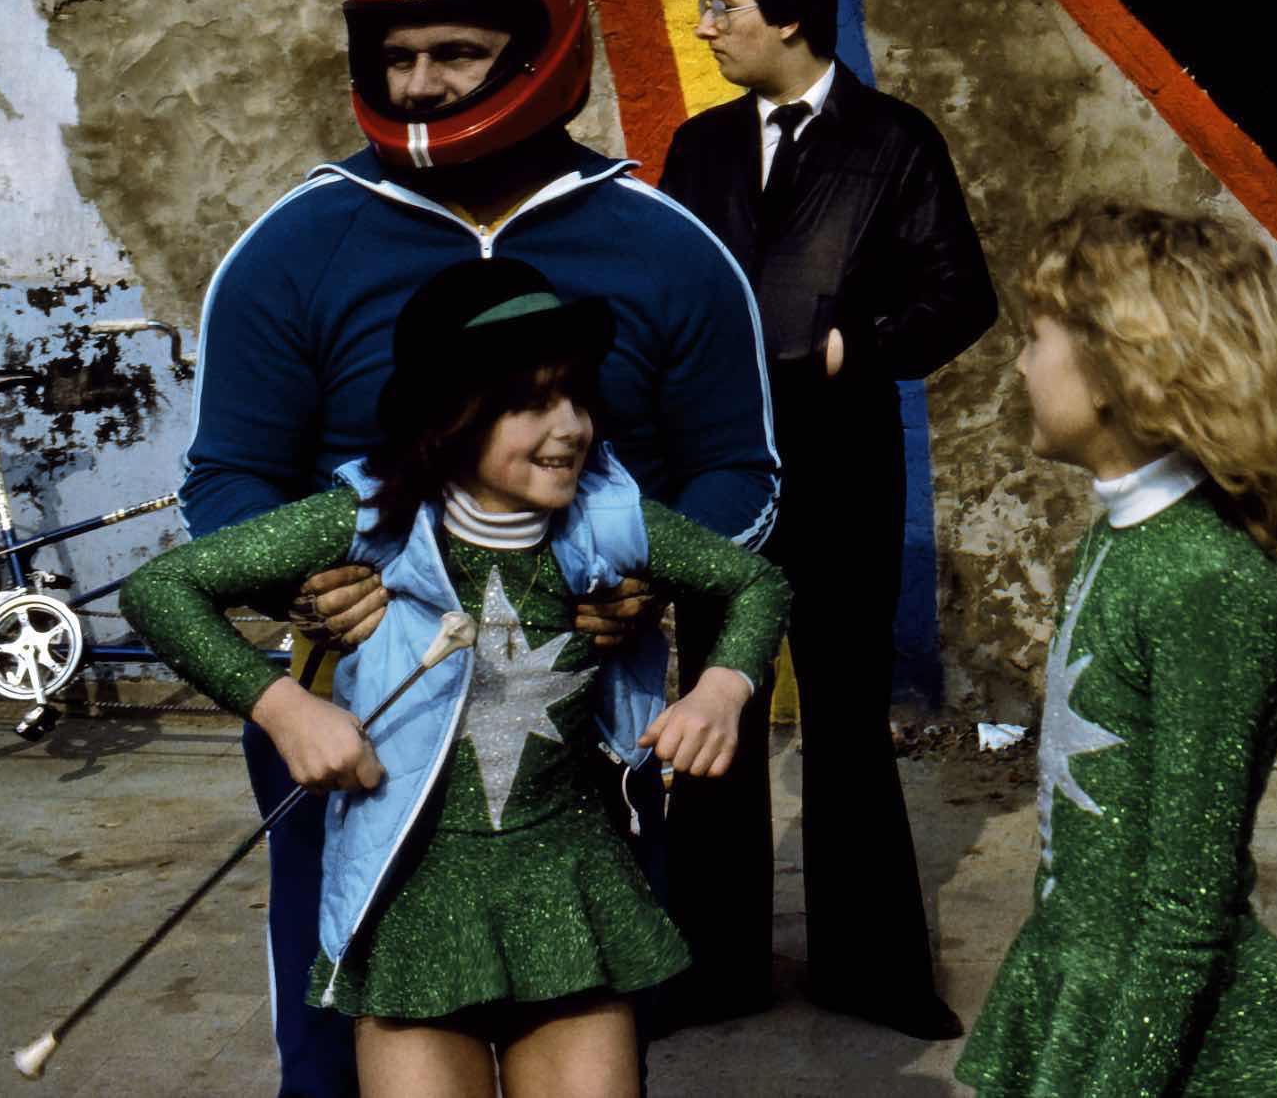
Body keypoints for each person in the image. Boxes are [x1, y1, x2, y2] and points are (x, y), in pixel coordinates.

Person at [181, 0, 777, 1097]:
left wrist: (644, 574)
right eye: (395, 55)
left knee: (588, 1028)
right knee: (338, 1048)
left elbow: (740, 469)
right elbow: (226, 478)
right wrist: (303, 580)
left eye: (456, 51)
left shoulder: (666, 247)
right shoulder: (296, 246)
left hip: (583, 731)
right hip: (357, 724)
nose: (419, 83)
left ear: (541, 42)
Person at [124, 259, 789, 1098]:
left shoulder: (608, 518)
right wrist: (286, 709)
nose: (571, 426)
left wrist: (723, 687)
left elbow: (758, 581)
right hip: (413, 897)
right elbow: (160, 589)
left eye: (577, 396)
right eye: (530, 402)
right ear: (451, 411)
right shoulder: (370, 518)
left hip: (567, 886)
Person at [656, 0, 996, 1036]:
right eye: (705, 4)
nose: (706, 27)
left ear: (792, 17)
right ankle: (710, 968)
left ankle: (872, 972)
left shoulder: (896, 141)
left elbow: (963, 295)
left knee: (847, 718)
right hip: (721, 476)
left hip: (845, 474)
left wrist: (860, 344)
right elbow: (672, 301)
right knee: (716, 708)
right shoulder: (700, 148)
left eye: (725, 7)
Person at [953, 201, 1277, 1097]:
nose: (1018, 363)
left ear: (1111, 366)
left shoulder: (1205, 583)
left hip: (1165, 1039)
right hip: (1089, 979)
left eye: (1035, 337)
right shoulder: (1124, 539)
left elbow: (1188, 910)